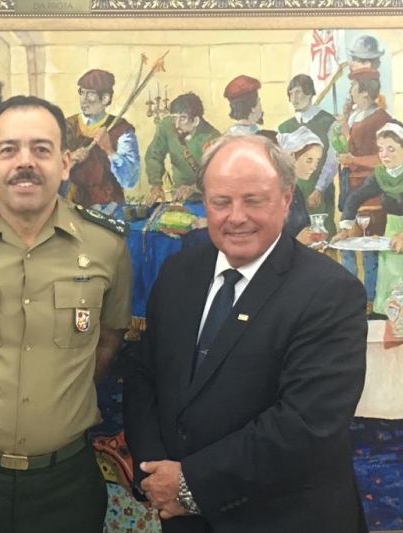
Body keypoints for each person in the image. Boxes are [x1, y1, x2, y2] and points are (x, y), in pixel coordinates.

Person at [124, 133, 368, 533]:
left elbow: (305, 425)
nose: (236, 217)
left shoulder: (331, 293)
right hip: (183, 519)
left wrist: (188, 483)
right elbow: (144, 376)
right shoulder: (177, 274)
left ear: (287, 199)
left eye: (254, 200)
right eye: (221, 202)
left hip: (283, 519)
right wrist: (155, 473)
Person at [0, 95, 133, 533]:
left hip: (66, 482)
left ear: (66, 162)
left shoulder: (106, 246)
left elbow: (108, 338)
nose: (25, 162)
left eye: (41, 149)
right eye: (9, 149)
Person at [333, 122, 403, 315]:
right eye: (381, 149)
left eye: (391, 149)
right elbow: (355, 197)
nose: (384, 155)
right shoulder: (381, 174)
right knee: (389, 277)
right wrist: (346, 226)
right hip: (392, 230)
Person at [337, 67, 391, 312]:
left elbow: (385, 159)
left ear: (364, 90)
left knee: (367, 248)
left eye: (353, 86)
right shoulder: (359, 115)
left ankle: (368, 302)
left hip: (371, 192)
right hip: (352, 189)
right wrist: (345, 122)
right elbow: (355, 145)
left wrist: (354, 160)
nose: (350, 91)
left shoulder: (381, 119)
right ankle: (350, 298)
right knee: (347, 246)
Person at [64, 69, 140, 213]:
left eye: (90, 94)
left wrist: (109, 150)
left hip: (110, 208)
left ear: (105, 99)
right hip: (72, 206)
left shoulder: (121, 129)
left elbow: (130, 180)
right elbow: (48, 169)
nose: (84, 99)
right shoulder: (67, 126)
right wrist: (70, 158)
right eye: (82, 92)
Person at [278, 74, 338, 237]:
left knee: (322, 236)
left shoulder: (328, 122)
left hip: (320, 190)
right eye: (290, 94)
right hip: (292, 193)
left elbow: (332, 160)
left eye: (298, 92)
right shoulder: (284, 127)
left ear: (310, 92)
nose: (294, 98)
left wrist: (319, 189)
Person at [145, 92, 220, 204]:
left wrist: (193, 189)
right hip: (179, 195)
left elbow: (217, 175)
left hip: (206, 196)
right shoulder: (166, 126)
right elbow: (154, 154)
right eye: (174, 118)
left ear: (195, 121)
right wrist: (156, 184)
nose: (176, 125)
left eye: (183, 118)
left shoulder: (212, 137)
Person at [275, 127, 326, 245]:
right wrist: (297, 241)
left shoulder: (296, 191)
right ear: (292, 156)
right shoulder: (275, 191)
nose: (314, 167)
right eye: (309, 160)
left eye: (316, 162)